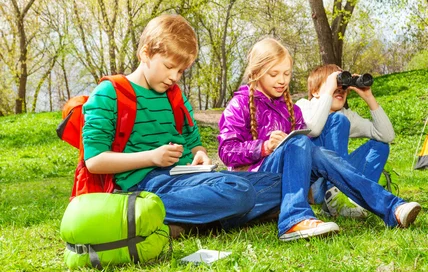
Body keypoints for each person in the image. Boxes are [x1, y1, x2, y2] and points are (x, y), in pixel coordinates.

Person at [82, 14, 281, 237]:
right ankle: (139, 212)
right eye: (169, 67)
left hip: (186, 177)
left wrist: (200, 156)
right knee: (240, 192)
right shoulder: (109, 94)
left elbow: (194, 144)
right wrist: (152, 157)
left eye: (180, 71)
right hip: (146, 184)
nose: (174, 77)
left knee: (278, 182)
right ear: (145, 53)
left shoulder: (175, 97)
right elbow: (95, 161)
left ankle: (192, 221)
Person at [218, 37, 421, 242]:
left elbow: (308, 151)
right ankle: (294, 219)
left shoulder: (291, 109)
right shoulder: (240, 103)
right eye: (274, 74)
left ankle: (392, 208)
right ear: (256, 73)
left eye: (287, 74)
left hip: (290, 180)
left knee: (312, 149)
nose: (282, 80)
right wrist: (264, 146)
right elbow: (226, 151)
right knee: (301, 142)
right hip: (256, 181)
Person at [296, 64, 394, 218]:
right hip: (311, 184)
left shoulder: (345, 115)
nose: (340, 89)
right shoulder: (303, 106)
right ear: (315, 92)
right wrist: (329, 94)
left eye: (343, 87)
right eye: (335, 85)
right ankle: (334, 196)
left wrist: (369, 97)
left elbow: (387, 135)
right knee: (337, 120)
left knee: (380, 146)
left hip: (340, 178)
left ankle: (353, 200)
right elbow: (314, 128)